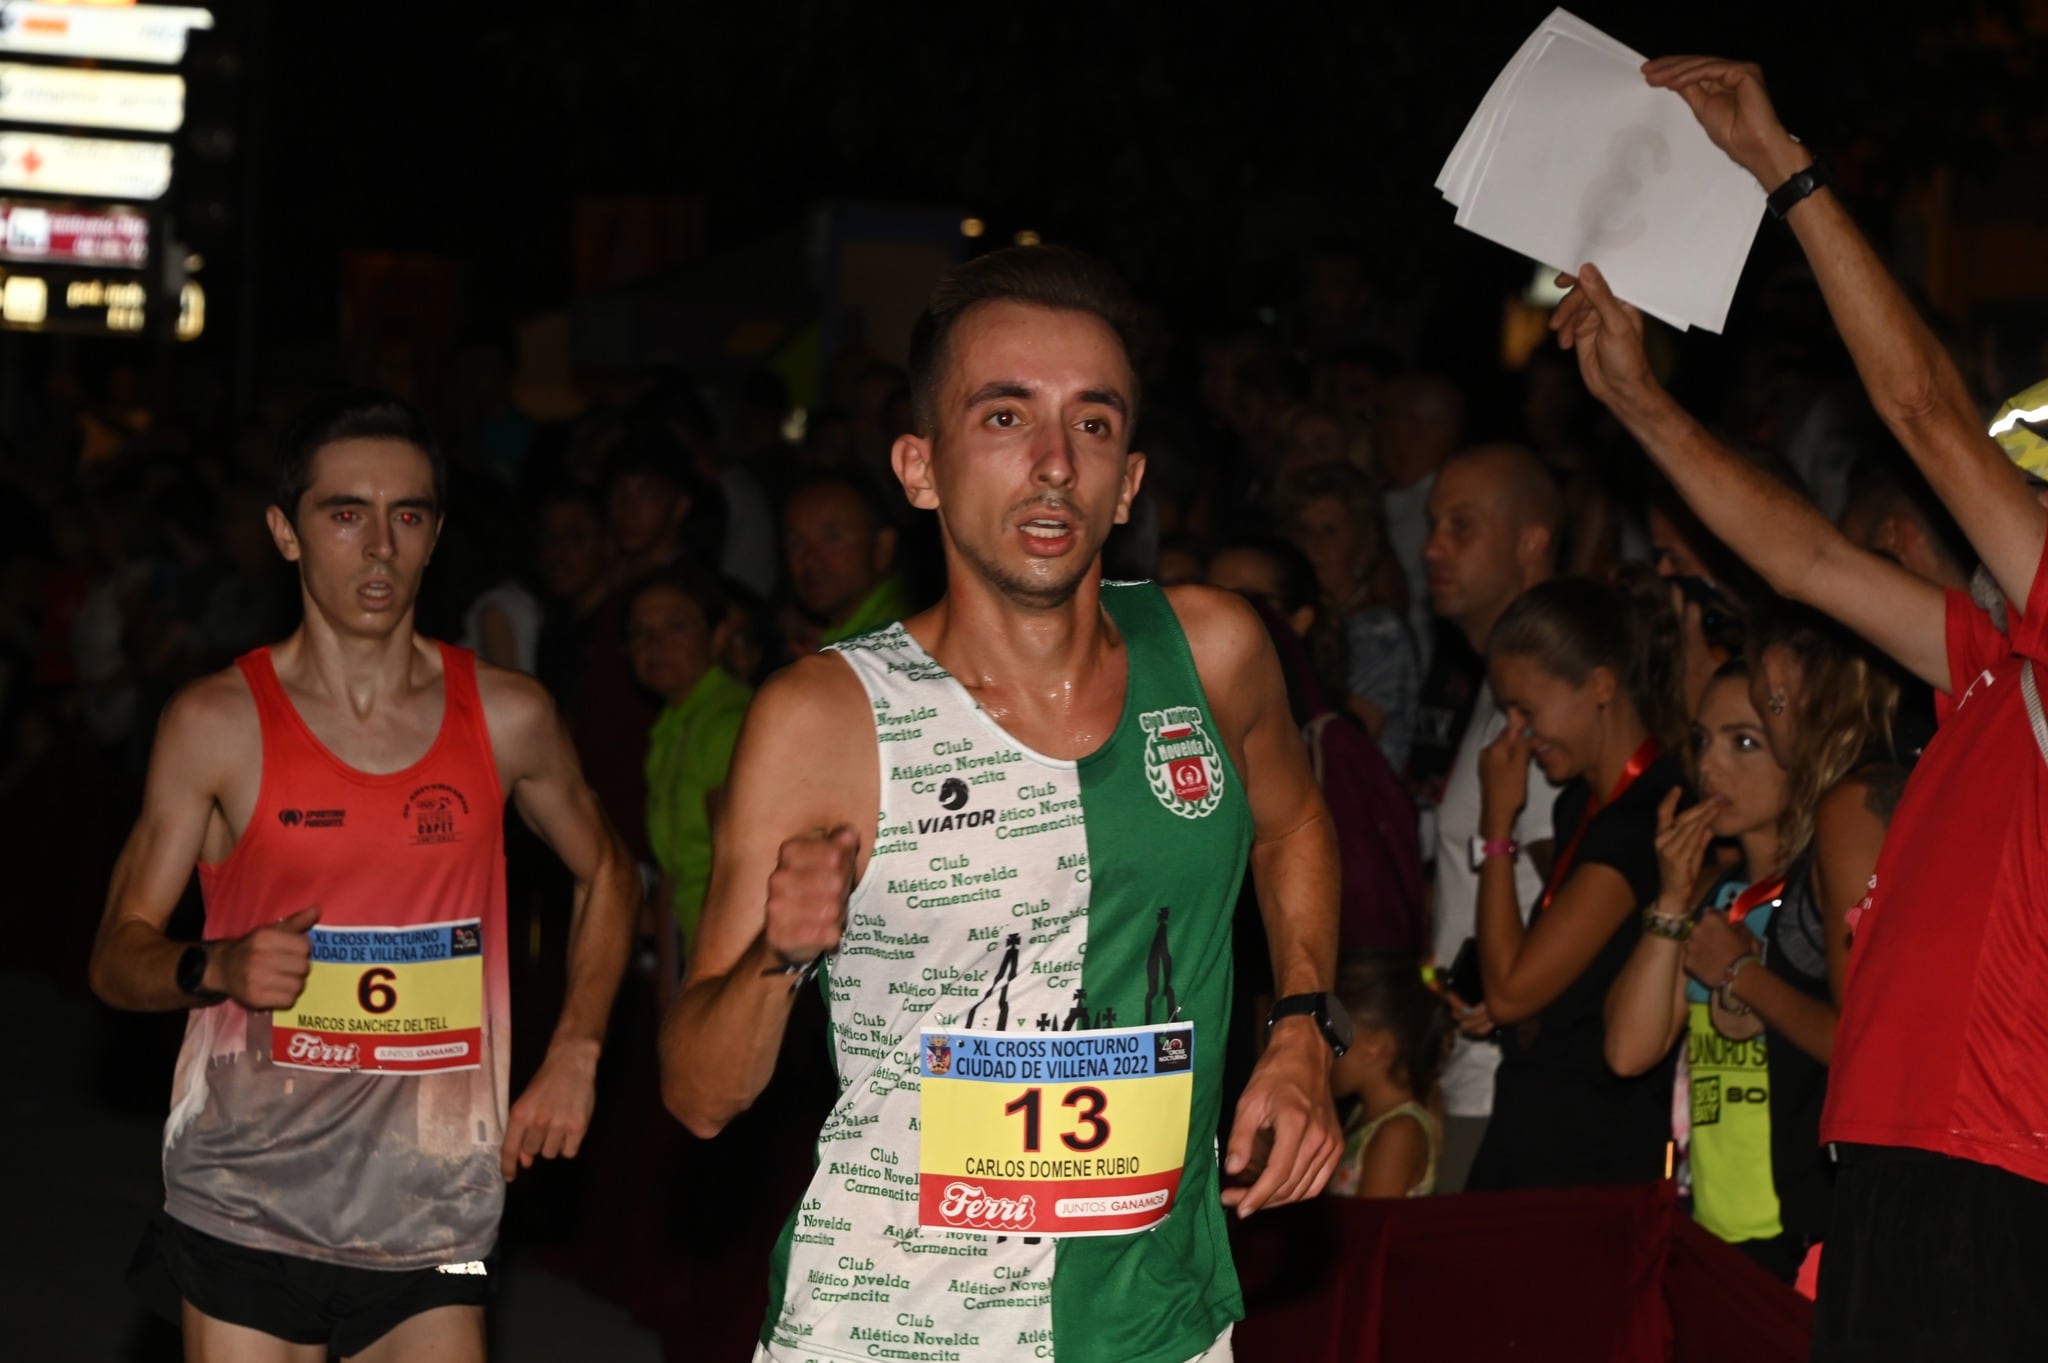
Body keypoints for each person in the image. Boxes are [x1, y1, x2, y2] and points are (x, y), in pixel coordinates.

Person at [660, 245, 1344, 1363]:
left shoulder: (1213, 652)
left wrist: (1304, 1024)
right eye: (1003, 418)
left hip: (1156, 1321)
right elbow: (696, 1093)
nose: (1052, 464)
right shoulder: (826, 715)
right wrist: (778, 959)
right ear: (918, 466)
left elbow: (1294, 825)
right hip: (889, 1328)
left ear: (1128, 481)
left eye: (1090, 424)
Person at [1552, 53, 2048, 1358]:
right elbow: (1805, 561)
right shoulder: (1996, 669)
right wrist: (1642, 406)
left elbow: (1921, 411)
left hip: (1994, 1166)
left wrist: (1786, 170)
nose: (2004, 510)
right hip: (1900, 1165)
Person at [87, 391, 638, 1361]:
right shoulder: (215, 722)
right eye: (345, 513)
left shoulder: (507, 716)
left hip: (434, 1200)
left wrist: (576, 1052)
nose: (378, 545)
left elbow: (610, 873)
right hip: (246, 1196)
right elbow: (115, 956)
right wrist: (212, 965)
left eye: (407, 515)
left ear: (434, 536)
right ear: (284, 532)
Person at [1464, 570, 1692, 1190]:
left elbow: (1514, 990)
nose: (1518, 733)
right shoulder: (1581, 807)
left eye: (1527, 710)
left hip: (1594, 1149)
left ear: (1599, 686)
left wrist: (1497, 827)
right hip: (1541, 1124)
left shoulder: (1648, 813)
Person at [1604, 661, 1815, 1279]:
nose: (1709, 766)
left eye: (1743, 742)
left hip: (1802, 1234)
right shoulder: (1709, 894)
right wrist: (1671, 900)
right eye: (1700, 741)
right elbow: (1627, 1050)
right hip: (1712, 1229)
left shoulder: (1825, 896)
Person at [1417, 444, 1563, 1192]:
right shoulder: (1496, 687)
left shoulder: (1544, 705)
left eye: (1461, 527)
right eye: (1432, 524)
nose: (1431, 547)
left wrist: (1505, 1005)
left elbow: (1564, 885)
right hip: (1469, 1069)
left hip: (1509, 1080)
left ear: (1529, 542)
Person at [625, 565, 754, 973]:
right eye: (640, 632)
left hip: (738, 958)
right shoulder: (671, 728)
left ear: (715, 638)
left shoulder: (728, 720)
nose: (655, 643)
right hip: (699, 956)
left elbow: (739, 867)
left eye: (675, 626)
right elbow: (670, 878)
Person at [1279, 462, 1420, 770]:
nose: (1313, 545)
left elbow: (1345, 745)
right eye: (1303, 529)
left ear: (1362, 542)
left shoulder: (1380, 632)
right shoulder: (1302, 618)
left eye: (1330, 531)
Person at [1325, 953, 1448, 1199]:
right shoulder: (1362, 1116)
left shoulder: (1397, 1134)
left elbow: (1371, 1231)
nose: (1323, 1050)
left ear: (1377, 1045)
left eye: (1332, 1037)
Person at [780, 467, 913, 652]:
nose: (809, 559)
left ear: (883, 547)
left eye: (832, 538)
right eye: (796, 543)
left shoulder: (896, 638)